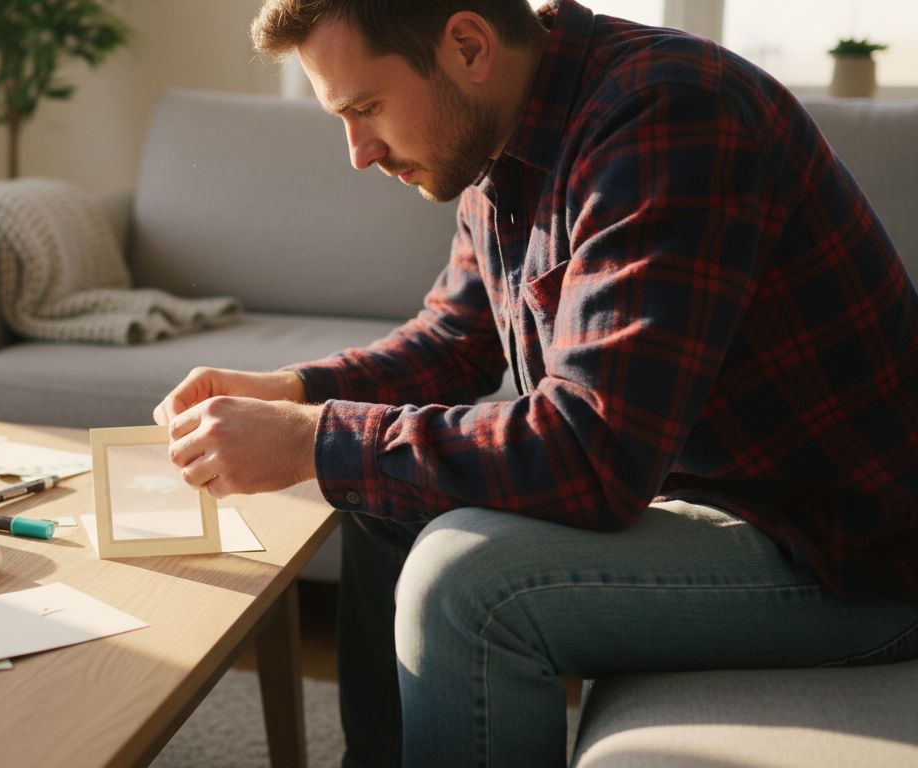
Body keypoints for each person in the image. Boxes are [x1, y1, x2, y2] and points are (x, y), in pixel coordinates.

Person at [152, 1, 918, 765]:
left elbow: (593, 453)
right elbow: (452, 343)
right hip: (707, 494)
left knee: (468, 583)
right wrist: (289, 392)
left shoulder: (671, 113)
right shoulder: (498, 136)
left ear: (468, 46)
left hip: (843, 553)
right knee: (382, 498)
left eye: (366, 107)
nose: (358, 150)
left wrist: (314, 440)